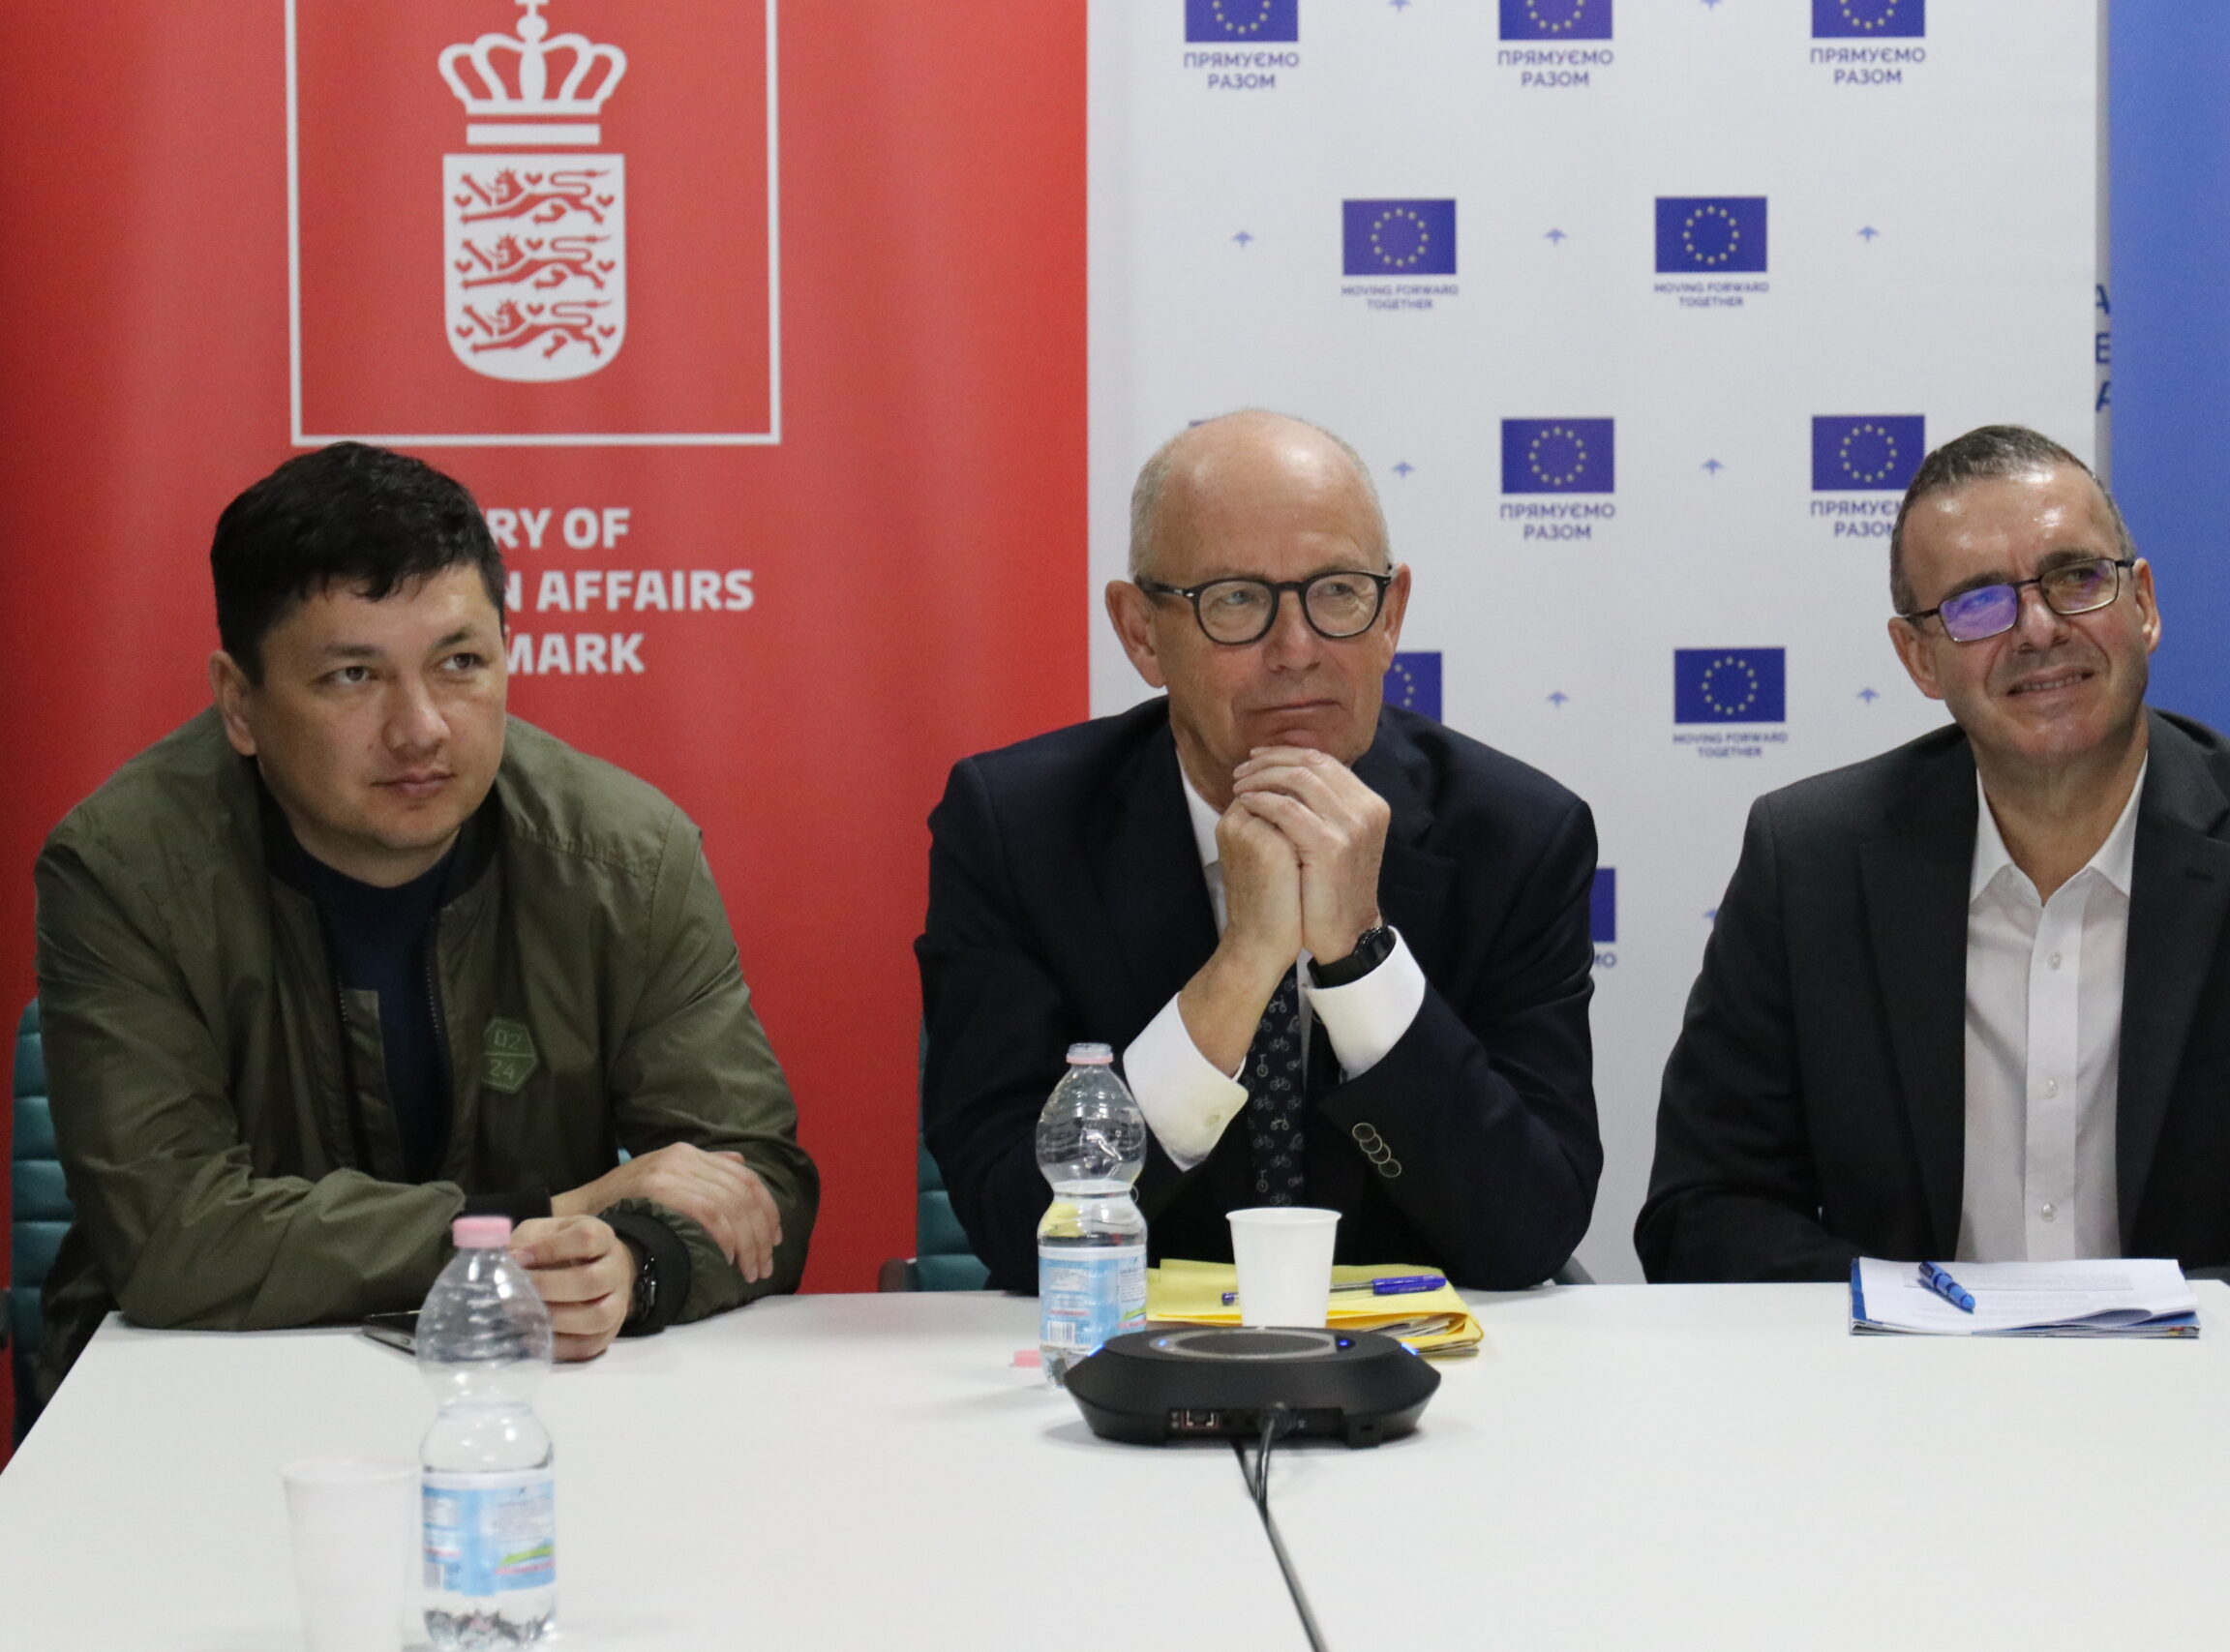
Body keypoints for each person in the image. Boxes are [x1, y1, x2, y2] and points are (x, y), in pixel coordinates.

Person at [1638, 424, 2230, 1386]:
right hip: (1905, 1415)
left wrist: (2160, 1333)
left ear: (2144, 603)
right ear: (1918, 658)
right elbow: (1704, 1209)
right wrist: (1927, 1332)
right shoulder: (1810, 862)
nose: (2038, 628)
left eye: (2077, 578)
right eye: (1977, 603)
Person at [31, 442, 818, 1411]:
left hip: (536, 1398)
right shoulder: (125, 870)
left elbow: (751, 1178)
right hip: (192, 1393)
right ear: (240, 704)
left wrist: (632, 1262)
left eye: (460, 664)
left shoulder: (626, 858)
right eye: (353, 676)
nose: (422, 728)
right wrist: (542, 1218)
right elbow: (174, 1237)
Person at [918, 409, 1600, 1292]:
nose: (1297, 651)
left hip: (1423, 1366)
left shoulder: (1516, 837)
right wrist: (1242, 968)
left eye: (1338, 592)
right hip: (1121, 1355)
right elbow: (1018, 1227)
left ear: (1391, 615)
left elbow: (1529, 1233)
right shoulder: (1018, 830)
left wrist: (1358, 957)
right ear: (1140, 631)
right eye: (1236, 599)